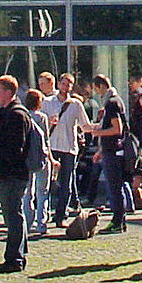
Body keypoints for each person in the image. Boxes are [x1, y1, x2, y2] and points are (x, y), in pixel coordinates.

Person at [0, 75, 32, 274]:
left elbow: (14, 148)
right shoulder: (9, 112)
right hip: (10, 173)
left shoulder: (15, 115)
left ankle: (14, 257)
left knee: (13, 215)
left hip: (11, 174)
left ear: (8, 93)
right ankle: (18, 252)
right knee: (14, 214)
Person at [86, 74, 130, 235]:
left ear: (101, 86)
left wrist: (97, 133)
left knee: (114, 188)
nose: (97, 93)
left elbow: (116, 129)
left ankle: (118, 221)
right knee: (116, 187)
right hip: (111, 150)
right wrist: (100, 151)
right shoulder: (116, 101)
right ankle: (120, 221)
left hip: (113, 151)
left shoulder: (111, 103)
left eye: (96, 89)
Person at [48, 73, 90, 226]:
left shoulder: (75, 104)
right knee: (48, 183)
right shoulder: (48, 102)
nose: (66, 87)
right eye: (64, 84)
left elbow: (84, 125)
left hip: (69, 148)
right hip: (51, 146)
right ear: (59, 84)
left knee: (67, 184)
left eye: (69, 84)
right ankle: (44, 214)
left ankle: (60, 216)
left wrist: (99, 128)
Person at [23, 89, 52, 239]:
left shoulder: (24, 117)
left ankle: (27, 223)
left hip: (26, 157)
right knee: (43, 191)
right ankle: (42, 223)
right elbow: (46, 140)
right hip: (41, 156)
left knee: (28, 192)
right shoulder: (42, 117)